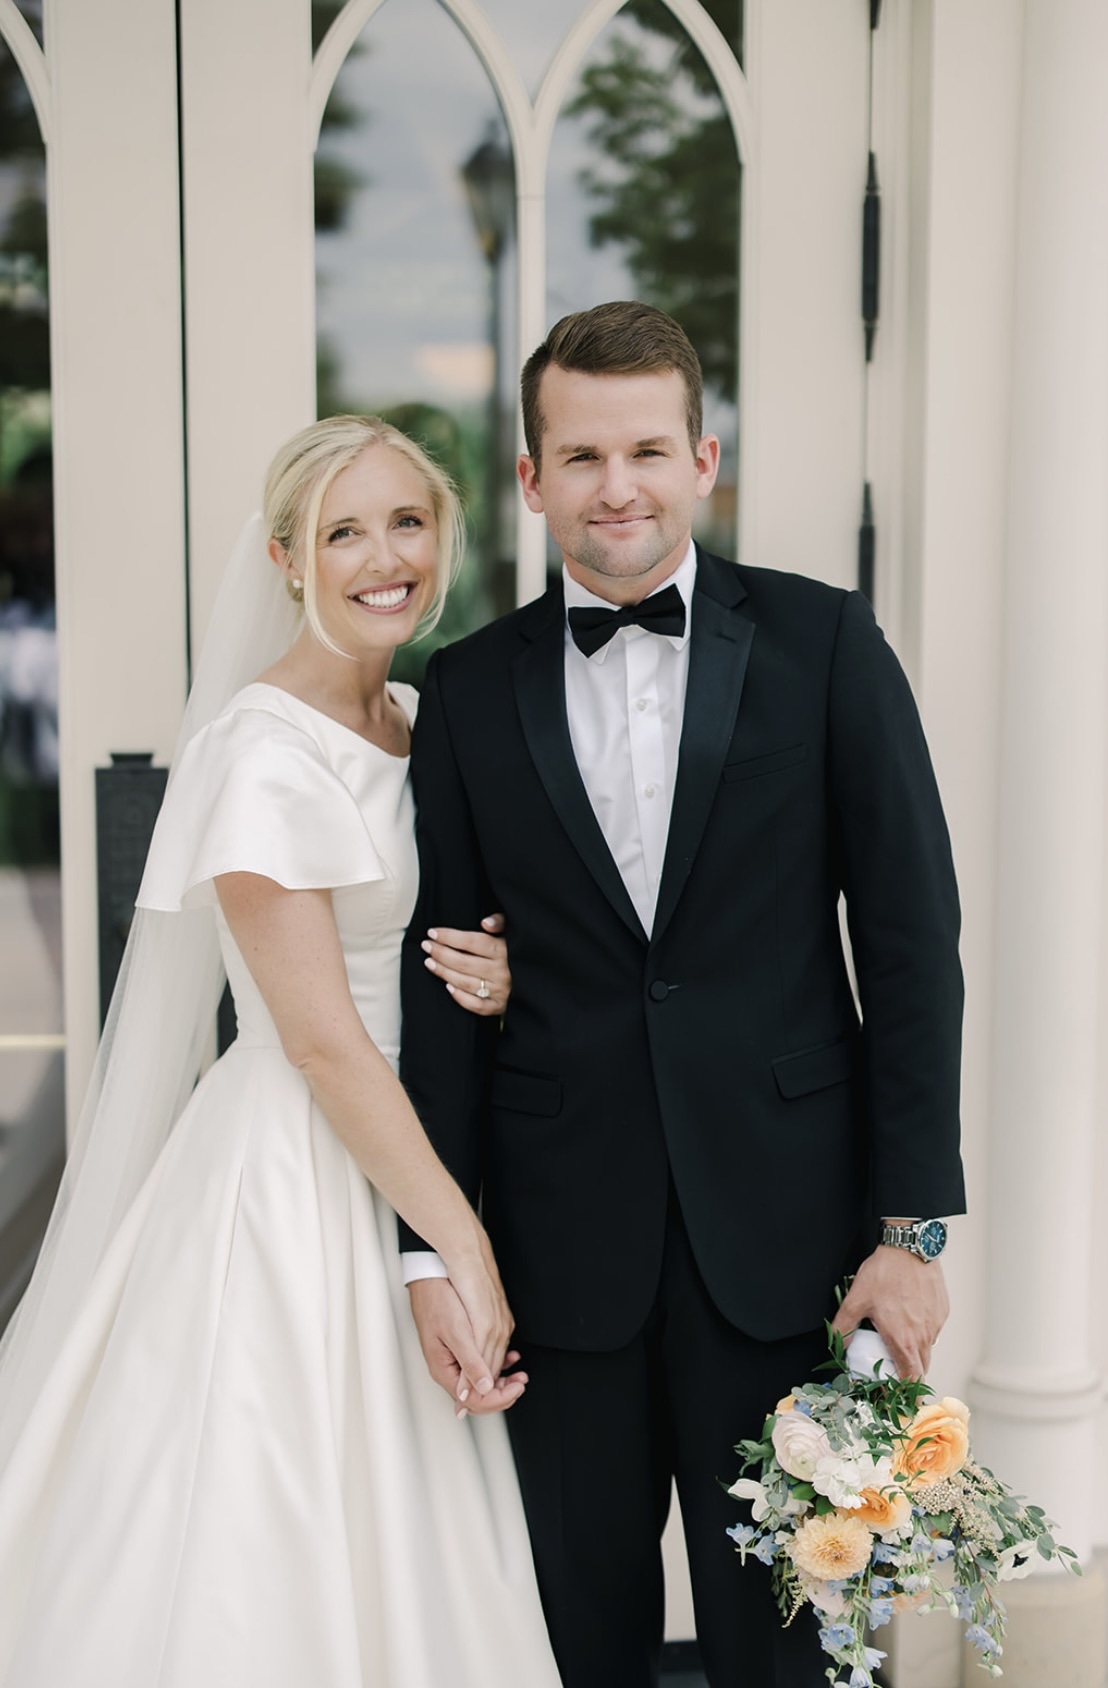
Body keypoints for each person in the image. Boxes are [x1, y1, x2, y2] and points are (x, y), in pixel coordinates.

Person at [398, 301, 967, 1688]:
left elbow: (910, 942)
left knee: (784, 1643)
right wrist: (431, 1254)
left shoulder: (826, 643)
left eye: (648, 449)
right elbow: (443, 983)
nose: (619, 486)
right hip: (551, 1258)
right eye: (581, 456)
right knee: (568, 1640)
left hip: (789, 1249)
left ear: (704, 460)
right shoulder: (464, 691)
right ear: (531, 477)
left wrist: (911, 1230)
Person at [0, 416, 561, 1687]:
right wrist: (459, 1242)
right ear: (286, 558)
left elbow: (445, 928)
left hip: (420, 1143)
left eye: (406, 521)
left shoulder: (417, 716)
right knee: (270, 1508)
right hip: (299, 1170)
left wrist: (501, 973)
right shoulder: (259, 749)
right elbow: (320, 1040)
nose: (384, 557)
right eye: (342, 531)